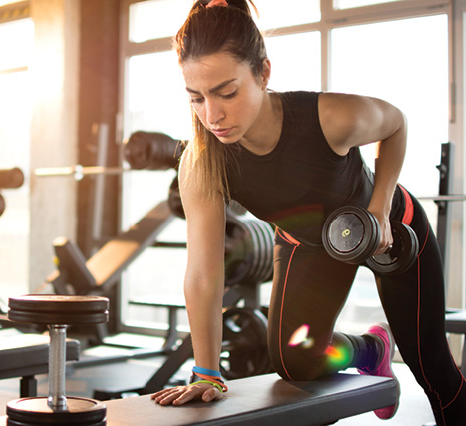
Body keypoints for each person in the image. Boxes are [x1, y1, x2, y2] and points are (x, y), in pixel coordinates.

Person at [149, 0, 466, 424]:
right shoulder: (202, 162)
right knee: (293, 361)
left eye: (226, 92)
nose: (213, 115)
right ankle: (371, 349)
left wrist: (379, 206)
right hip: (310, 242)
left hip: (386, 228)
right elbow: (204, 273)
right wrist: (207, 373)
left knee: (432, 368)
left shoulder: (329, 117)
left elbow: (396, 124)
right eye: (196, 98)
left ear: (262, 72)